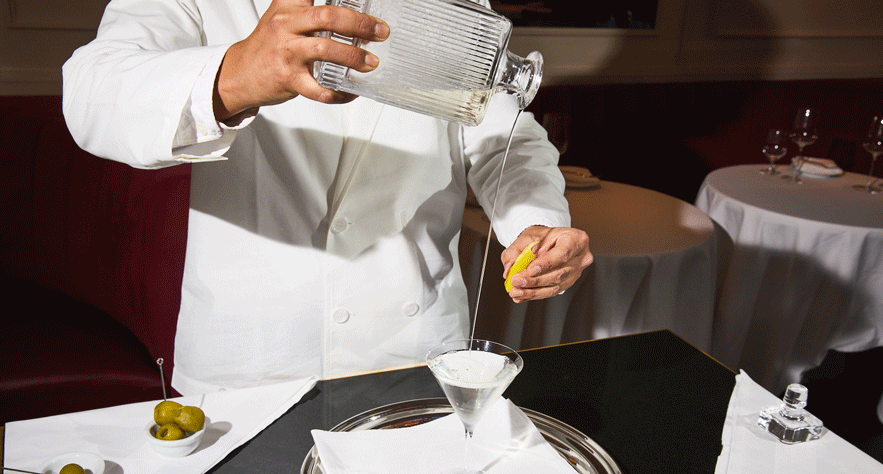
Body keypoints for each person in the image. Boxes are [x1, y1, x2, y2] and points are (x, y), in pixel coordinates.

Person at [63, 0, 593, 395]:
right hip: (250, 364)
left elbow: (507, 137)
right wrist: (234, 75)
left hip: (413, 350)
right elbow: (90, 94)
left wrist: (536, 220)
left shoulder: (456, 7)